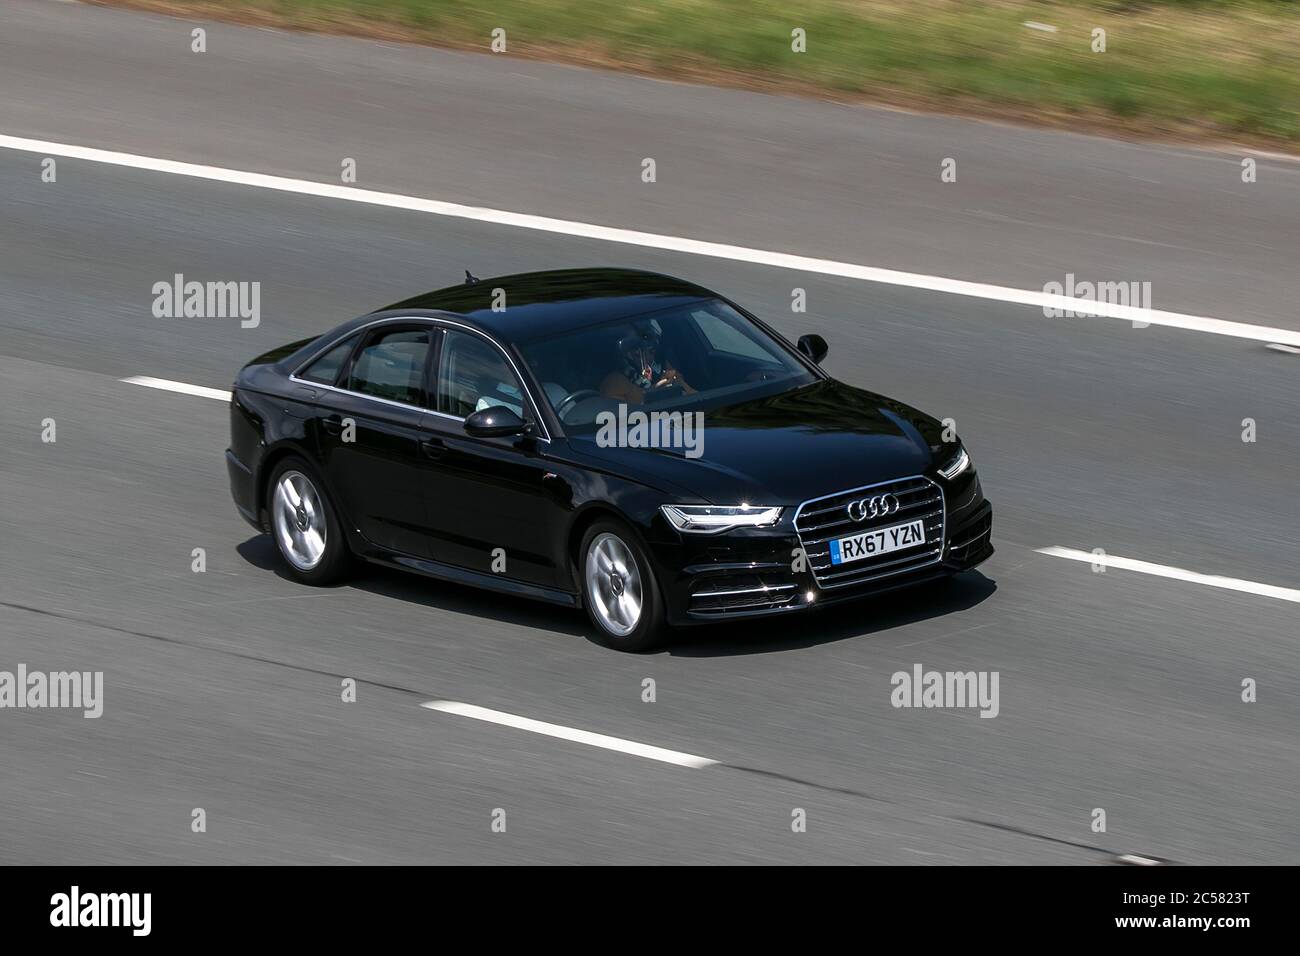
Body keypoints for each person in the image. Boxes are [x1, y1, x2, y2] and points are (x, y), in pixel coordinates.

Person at [599, 329, 694, 404]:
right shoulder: (615, 382)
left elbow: (695, 397)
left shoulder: (664, 366)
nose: (647, 356)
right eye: (636, 348)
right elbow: (621, 421)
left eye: (651, 349)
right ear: (625, 352)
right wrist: (653, 393)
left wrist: (679, 382)